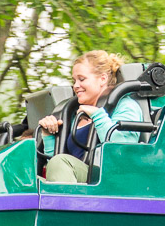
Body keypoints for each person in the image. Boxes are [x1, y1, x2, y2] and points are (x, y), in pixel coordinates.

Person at [37, 51, 143, 184]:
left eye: (82, 79)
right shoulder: (76, 115)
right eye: (74, 80)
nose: (75, 86)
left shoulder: (126, 105)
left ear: (102, 79)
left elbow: (121, 151)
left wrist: (97, 115)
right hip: (82, 179)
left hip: (112, 181)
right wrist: (48, 136)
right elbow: (57, 170)